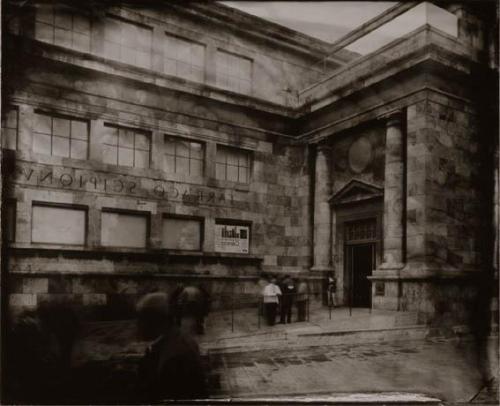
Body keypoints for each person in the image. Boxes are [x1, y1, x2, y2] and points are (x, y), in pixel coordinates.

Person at [136, 292, 207, 401]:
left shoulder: (175, 356)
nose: (138, 326)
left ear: (154, 320)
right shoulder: (174, 340)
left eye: (142, 319)